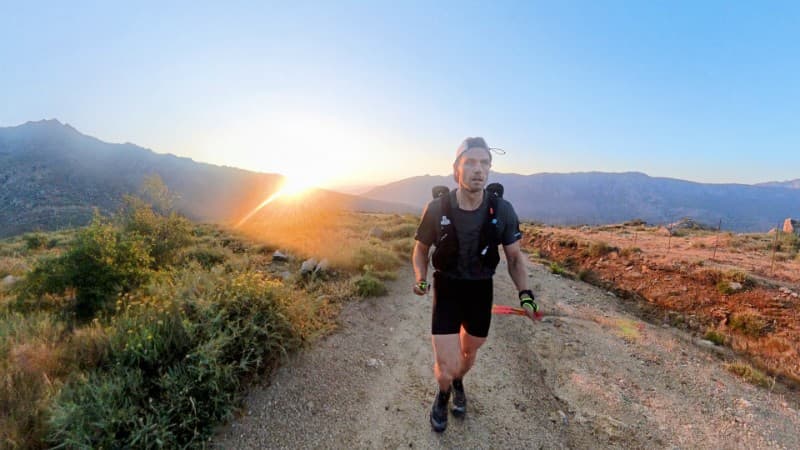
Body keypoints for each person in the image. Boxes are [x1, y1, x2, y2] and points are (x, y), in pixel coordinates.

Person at [412, 136, 539, 433]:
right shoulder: (436, 208)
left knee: (467, 357)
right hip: (447, 288)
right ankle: (443, 394)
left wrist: (526, 296)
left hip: (481, 290)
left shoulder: (502, 210)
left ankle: (459, 382)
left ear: (490, 170)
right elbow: (420, 250)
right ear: (456, 168)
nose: (478, 169)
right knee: (445, 367)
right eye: (470, 163)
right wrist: (420, 277)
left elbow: (515, 259)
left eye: (485, 163)